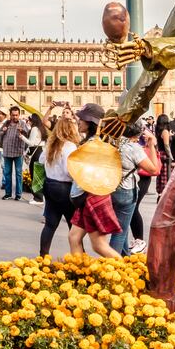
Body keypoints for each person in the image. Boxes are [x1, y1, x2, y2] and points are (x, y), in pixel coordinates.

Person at [67, 104, 120, 258]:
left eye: (82, 119)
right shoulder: (93, 142)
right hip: (88, 196)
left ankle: (126, 270)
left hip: (93, 195)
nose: (78, 121)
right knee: (74, 237)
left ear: (90, 123)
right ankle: (77, 270)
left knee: (99, 245)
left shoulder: (95, 144)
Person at [110, 120, 159, 256]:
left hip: (112, 188)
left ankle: (124, 256)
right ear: (138, 133)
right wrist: (151, 146)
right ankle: (111, 262)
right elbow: (154, 169)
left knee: (122, 227)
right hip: (126, 189)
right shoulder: (133, 148)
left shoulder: (113, 142)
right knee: (119, 232)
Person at [39, 117, 80, 257]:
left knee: (50, 224)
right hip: (64, 187)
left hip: (49, 184)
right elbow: (69, 171)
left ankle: (43, 256)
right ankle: (78, 257)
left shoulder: (51, 144)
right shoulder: (70, 146)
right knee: (73, 226)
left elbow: (41, 161)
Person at [128, 123, 161, 254]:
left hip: (143, 176)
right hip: (134, 175)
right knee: (131, 208)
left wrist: (149, 144)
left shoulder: (142, 128)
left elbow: (153, 141)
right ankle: (136, 240)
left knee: (133, 207)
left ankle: (139, 240)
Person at [0, 106, 28, 201]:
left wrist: (22, 131)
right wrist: (3, 131)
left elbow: (27, 135)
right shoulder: (6, 123)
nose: (15, 117)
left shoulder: (22, 123)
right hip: (7, 151)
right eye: (13, 115)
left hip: (18, 152)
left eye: (16, 115)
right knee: (7, 173)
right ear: (10, 115)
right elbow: (0, 133)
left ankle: (18, 194)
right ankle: (8, 194)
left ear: (19, 115)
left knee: (18, 174)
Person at [21, 113, 46, 206]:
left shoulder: (35, 128)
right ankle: (38, 196)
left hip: (35, 152)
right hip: (40, 151)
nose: (29, 122)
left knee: (34, 174)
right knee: (38, 175)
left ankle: (38, 198)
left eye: (29, 120)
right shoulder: (41, 128)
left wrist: (22, 137)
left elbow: (31, 143)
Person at [153, 114, 174, 196]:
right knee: (166, 174)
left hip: (160, 153)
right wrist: (171, 156)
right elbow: (166, 145)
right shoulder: (165, 131)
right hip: (165, 154)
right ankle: (164, 192)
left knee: (161, 174)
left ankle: (160, 191)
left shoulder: (158, 130)